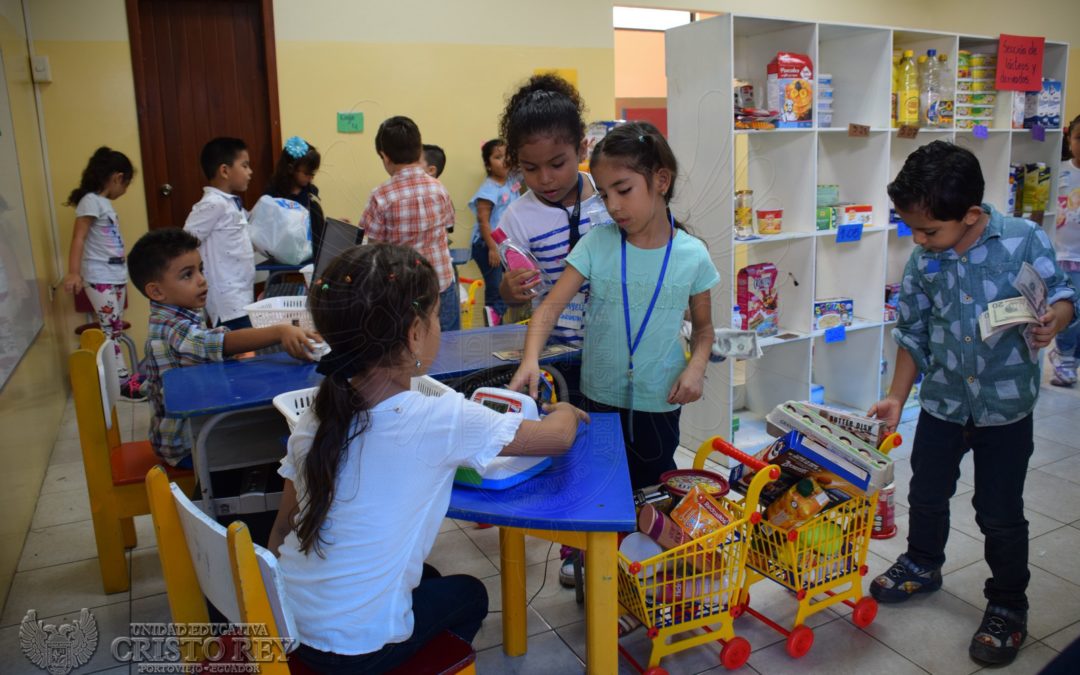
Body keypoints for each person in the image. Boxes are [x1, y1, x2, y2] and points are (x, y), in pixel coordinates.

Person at [267, 243, 588, 673]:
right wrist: (566, 410)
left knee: (431, 578)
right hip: (358, 649)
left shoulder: (317, 413)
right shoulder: (438, 417)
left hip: (289, 621)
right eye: (437, 316)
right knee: (471, 592)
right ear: (415, 334)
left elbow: (282, 528)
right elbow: (555, 439)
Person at [867, 141, 1079, 666]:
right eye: (911, 229)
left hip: (1005, 409)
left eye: (929, 231)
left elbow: (1062, 295)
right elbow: (912, 334)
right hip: (942, 403)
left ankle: (1008, 603)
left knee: (999, 511)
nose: (919, 240)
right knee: (927, 492)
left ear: (972, 215)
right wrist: (897, 396)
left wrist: (1057, 319)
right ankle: (922, 563)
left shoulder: (1024, 240)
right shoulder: (925, 260)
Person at [510, 120, 717, 490]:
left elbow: (704, 329)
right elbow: (548, 309)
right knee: (597, 490)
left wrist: (697, 369)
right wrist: (530, 360)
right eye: (604, 195)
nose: (613, 206)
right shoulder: (597, 244)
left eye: (623, 190)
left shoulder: (693, 255)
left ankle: (640, 549)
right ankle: (591, 551)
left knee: (651, 493)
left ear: (661, 181)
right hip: (597, 399)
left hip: (660, 399)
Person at [127, 228, 317, 468]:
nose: (201, 280)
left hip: (189, 432)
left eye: (201, 269)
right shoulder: (169, 327)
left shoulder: (178, 314)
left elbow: (206, 345)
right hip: (186, 445)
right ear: (156, 291)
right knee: (289, 442)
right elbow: (216, 343)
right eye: (187, 275)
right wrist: (280, 331)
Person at [495, 73, 612, 348]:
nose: (545, 178)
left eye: (557, 164)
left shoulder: (607, 196)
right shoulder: (517, 218)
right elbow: (511, 294)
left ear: (582, 149)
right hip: (554, 350)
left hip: (614, 344)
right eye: (531, 168)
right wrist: (510, 290)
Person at [360, 117, 459, 331]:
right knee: (449, 348)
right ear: (419, 150)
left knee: (407, 352)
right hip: (441, 285)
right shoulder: (439, 189)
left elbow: (374, 249)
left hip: (403, 292)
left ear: (385, 156)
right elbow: (449, 223)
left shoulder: (381, 196)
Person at [60, 147, 142, 399]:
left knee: (114, 329)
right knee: (110, 329)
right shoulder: (90, 201)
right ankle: (122, 383)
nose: (125, 190)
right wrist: (74, 273)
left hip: (115, 275)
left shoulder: (103, 204)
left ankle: (121, 379)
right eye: (126, 183)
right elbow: (79, 237)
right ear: (117, 177)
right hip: (99, 276)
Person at [183, 137, 257, 330]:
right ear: (224, 170)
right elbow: (185, 242)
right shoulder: (213, 203)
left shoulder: (232, 203)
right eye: (245, 165)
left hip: (241, 294)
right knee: (240, 349)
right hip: (227, 299)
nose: (250, 172)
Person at [469, 138, 521, 321]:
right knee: (495, 288)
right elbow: (483, 221)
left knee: (511, 284)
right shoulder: (489, 188)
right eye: (498, 157)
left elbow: (527, 167)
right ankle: (492, 320)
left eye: (507, 155)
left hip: (504, 245)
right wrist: (492, 248)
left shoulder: (511, 180)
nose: (504, 160)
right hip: (486, 245)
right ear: (488, 165)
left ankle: (494, 317)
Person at [1049, 114, 1080, 386]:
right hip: (1065, 258)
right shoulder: (1061, 172)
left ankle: (1073, 357)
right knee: (1070, 312)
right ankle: (1065, 357)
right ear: (1069, 137)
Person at [266, 135, 325, 262]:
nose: (311, 178)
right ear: (290, 168)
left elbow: (317, 229)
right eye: (307, 173)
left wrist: (330, 228)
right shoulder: (273, 196)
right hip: (282, 263)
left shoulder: (311, 193)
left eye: (313, 174)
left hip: (310, 261)